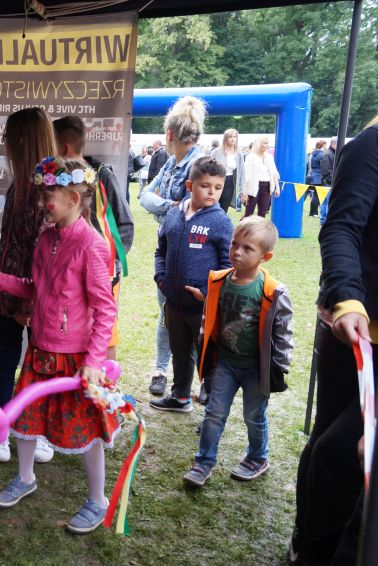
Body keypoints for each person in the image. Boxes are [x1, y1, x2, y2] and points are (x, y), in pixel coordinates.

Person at [290, 100, 378, 565]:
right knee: (333, 448)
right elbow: (341, 228)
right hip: (357, 333)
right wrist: (348, 300)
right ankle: (309, 547)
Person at [0, 157, 120, 535]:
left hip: (76, 359)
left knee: (87, 430)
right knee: (27, 420)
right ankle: (25, 478)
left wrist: (94, 359)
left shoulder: (91, 245)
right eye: (41, 194)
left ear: (74, 199)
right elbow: (36, 288)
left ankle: (97, 500)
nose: (41, 202)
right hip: (40, 349)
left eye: (49, 196)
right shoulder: (45, 239)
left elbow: (105, 308)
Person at [183, 216, 294, 487]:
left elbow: (283, 331)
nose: (237, 252)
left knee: (253, 416)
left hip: (256, 368)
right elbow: (210, 318)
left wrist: (279, 364)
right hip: (226, 364)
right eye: (234, 244)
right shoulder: (219, 281)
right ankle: (203, 461)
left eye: (247, 248)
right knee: (214, 413)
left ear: (265, 257)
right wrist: (206, 351)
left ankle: (257, 457)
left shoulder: (273, 292)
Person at [0, 107, 57, 465]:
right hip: (9, 287)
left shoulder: (49, 191)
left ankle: (40, 430)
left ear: (22, 141)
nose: (5, 145)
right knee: (8, 355)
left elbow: (49, 254)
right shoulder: (18, 184)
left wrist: (32, 301)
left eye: (9, 139)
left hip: (38, 292)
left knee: (41, 361)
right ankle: (1, 427)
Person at [150, 157, 234, 413]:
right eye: (205, 186)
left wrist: (208, 293)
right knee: (180, 351)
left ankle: (213, 409)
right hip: (174, 303)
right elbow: (160, 251)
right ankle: (180, 397)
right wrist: (161, 278)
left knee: (208, 356)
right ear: (190, 185)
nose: (212, 192)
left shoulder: (221, 221)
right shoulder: (173, 215)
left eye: (218, 187)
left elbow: (228, 264)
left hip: (203, 308)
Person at [139, 96, 207, 398]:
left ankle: (202, 380)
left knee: (192, 318)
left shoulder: (199, 164)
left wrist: (165, 206)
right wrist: (171, 205)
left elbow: (193, 208)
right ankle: (161, 371)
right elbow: (144, 196)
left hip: (193, 251)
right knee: (167, 311)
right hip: (167, 247)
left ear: (169, 134)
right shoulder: (172, 163)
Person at [53, 115, 134, 361]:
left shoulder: (101, 174)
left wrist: (110, 265)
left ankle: (105, 381)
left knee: (105, 334)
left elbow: (125, 224)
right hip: (67, 275)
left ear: (64, 148)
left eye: (51, 145)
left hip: (102, 274)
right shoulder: (55, 178)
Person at [241, 136, 280, 219]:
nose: (267, 145)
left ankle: (259, 228)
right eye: (265, 143)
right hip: (253, 186)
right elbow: (246, 175)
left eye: (268, 143)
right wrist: (245, 192)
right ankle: (242, 227)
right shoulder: (251, 157)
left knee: (263, 213)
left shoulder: (269, 157)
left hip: (266, 187)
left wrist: (277, 187)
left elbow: (274, 172)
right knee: (249, 213)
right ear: (259, 144)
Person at [211, 129, 246, 214]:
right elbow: (208, 166)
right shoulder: (216, 151)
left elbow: (242, 172)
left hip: (230, 182)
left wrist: (243, 190)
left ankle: (221, 222)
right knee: (213, 205)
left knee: (224, 207)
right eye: (230, 137)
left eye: (235, 137)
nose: (233, 139)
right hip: (216, 181)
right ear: (225, 138)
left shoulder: (239, 153)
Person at [319, 137, 337, 225]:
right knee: (327, 202)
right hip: (328, 183)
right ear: (334, 144)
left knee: (326, 202)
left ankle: (324, 219)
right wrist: (333, 180)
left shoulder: (332, 153)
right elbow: (325, 171)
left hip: (329, 182)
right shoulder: (327, 154)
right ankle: (324, 220)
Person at [305, 140, 326, 218]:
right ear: (323, 145)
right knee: (317, 196)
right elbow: (324, 167)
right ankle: (313, 213)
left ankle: (313, 213)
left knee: (309, 195)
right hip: (318, 177)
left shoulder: (311, 154)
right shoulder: (323, 154)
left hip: (310, 175)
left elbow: (308, 165)